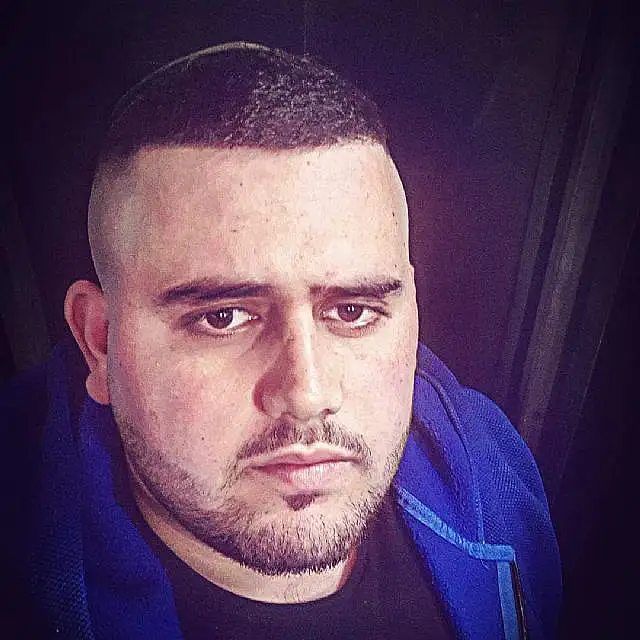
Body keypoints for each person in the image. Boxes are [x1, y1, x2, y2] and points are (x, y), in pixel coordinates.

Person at [0, 42, 561, 639]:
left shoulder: (490, 466)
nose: (307, 393)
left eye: (352, 310)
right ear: (100, 342)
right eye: (223, 318)